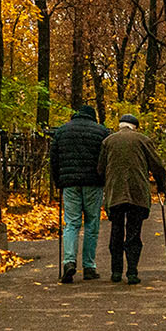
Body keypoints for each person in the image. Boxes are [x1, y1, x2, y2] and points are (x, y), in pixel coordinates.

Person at [97, 113, 166, 285]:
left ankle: (116, 271)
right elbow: (157, 166)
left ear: (120, 125)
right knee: (134, 232)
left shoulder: (108, 141)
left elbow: (100, 168)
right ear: (135, 127)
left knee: (116, 230)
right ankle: (132, 272)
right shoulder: (143, 140)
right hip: (137, 193)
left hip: (115, 192)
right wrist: (161, 186)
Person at [49, 105, 110, 283]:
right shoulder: (101, 132)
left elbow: (54, 159)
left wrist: (58, 181)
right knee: (92, 224)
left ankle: (69, 262)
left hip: (70, 183)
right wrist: (103, 179)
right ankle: (89, 266)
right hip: (93, 183)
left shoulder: (62, 131)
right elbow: (105, 158)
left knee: (71, 223)